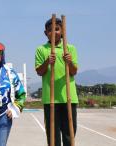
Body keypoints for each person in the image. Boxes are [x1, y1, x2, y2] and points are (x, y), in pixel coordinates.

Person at [35, 17, 78, 146]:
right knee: (53, 135)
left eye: (57, 29)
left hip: (68, 98)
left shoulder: (70, 48)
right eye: (49, 30)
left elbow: (74, 71)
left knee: (69, 134)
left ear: (63, 31)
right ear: (45, 33)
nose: (53, 33)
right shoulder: (41, 50)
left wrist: (69, 62)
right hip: (50, 99)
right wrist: (47, 62)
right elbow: (39, 72)